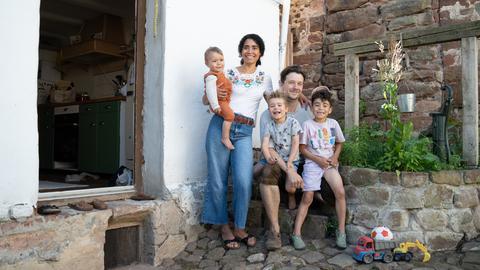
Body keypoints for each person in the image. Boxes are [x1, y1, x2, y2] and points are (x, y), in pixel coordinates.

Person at [201, 34, 273, 250]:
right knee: (218, 179)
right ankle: (224, 226)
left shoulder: (264, 77)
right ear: (241, 51)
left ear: (260, 52)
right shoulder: (228, 72)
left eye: (255, 47)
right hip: (220, 125)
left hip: (244, 131)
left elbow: (276, 103)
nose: (250, 51)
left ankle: (240, 227)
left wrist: (298, 98)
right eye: (246, 47)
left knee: (243, 180)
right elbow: (206, 99)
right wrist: (212, 94)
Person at [255, 65, 311, 251]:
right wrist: (289, 170)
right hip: (279, 161)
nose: (295, 87)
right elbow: (269, 149)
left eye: (299, 84)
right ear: (282, 85)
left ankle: (294, 195)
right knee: (266, 171)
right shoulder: (268, 115)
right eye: (291, 83)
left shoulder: (307, 110)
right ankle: (275, 230)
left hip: (301, 162)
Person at [291, 89, 347, 250]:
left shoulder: (333, 124)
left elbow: (339, 143)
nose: (320, 108)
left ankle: (341, 231)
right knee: (307, 197)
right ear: (311, 107)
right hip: (312, 165)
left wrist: (335, 157)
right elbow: (302, 149)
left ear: (330, 109)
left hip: (329, 164)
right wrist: (317, 159)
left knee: (340, 192)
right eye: (316, 105)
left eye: (324, 106)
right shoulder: (308, 125)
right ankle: (296, 233)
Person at [261, 91, 303, 216]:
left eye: (279, 105)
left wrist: (290, 161)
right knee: (259, 172)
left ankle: (291, 195)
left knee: (290, 187)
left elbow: (296, 143)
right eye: (272, 106)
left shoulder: (292, 122)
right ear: (269, 109)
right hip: (277, 158)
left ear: (286, 109)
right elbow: (265, 144)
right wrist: (268, 157)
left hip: (292, 159)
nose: (276, 108)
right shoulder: (269, 125)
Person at [204, 46, 235, 150]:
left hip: (223, 102)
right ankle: (225, 138)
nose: (219, 63)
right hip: (219, 103)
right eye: (214, 61)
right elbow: (210, 92)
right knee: (230, 116)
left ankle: (225, 137)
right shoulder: (211, 76)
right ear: (207, 63)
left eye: (221, 60)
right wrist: (215, 105)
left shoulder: (221, 74)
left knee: (229, 115)